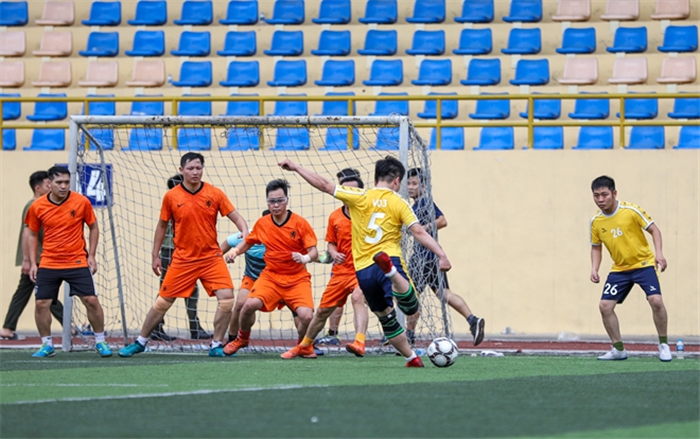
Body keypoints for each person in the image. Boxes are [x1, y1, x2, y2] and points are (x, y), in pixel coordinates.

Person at [279, 155, 452, 368]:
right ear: (397, 180)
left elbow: (324, 185)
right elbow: (418, 231)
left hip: (363, 270)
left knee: (386, 318)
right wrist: (441, 254)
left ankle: (411, 358)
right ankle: (392, 273)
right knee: (411, 307)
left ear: (375, 179)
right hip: (388, 258)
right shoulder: (399, 202)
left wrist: (296, 167)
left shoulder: (360, 196)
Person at [118, 152, 249, 358]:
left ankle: (216, 345)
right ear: (182, 170)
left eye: (198, 168)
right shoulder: (171, 196)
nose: (195, 172)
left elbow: (237, 218)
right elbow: (162, 226)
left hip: (211, 258)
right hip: (183, 259)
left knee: (226, 300)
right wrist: (155, 255)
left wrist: (245, 231)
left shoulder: (215, 193)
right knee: (162, 302)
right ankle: (140, 341)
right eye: (190, 168)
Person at [281, 168, 370, 359]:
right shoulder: (335, 216)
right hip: (340, 272)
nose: (349, 194)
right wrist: (334, 253)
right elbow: (331, 243)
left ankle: (360, 341)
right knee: (322, 311)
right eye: (345, 190)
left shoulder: (369, 213)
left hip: (362, 270)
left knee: (358, 298)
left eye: (353, 190)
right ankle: (305, 346)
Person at [222, 179, 318, 356]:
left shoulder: (300, 223)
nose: (276, 205)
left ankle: (303, 346)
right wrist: (235, 251)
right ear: (267, 202)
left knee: (306, 316)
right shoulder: (262, 223)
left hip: (297, 278)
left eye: (280, 200)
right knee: (247, 305)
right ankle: (241, 339)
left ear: (287, 201)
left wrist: (304, 258)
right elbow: (248, 242)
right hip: (271, 276)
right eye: (272, 201)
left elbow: (314, 252)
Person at [25, 166, 112, 358]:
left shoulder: (81, 202)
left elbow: (93, 227)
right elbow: (32, 234)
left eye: (67, 182)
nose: (64, 186)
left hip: (77, 261)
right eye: (59, 182)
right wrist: (32, 263)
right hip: (49, 262)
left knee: (91, 300)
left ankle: (100, 341)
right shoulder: (37, 206)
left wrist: (92, 255)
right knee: (41, 303)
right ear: (49, 183)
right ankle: (47, 345)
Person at [589, 176, 671, 362]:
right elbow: (596, 247)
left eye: (604, 194)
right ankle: (618, 349)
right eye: (596, 195)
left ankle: (664, 345)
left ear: (614, 193)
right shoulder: (596, 221)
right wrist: (594, 269)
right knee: (604, 306)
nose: (600, 199)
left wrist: (659, 254)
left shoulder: (631, 211)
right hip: (620, 269)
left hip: (644, 264)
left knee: (656, 301)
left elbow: (655, 230)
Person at [405, 168, 485, 346]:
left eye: (414, 184)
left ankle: (407, 336)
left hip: (422, 258)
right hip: (431, 257)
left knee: (409, 296)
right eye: (408, 183)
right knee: (443, 293)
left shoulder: (424, 202)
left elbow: (442, 220)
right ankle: (472, 319)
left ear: (423, 187)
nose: (410, 187)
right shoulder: (416, 206)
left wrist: (423, 229)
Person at [1, 171, 65, 341]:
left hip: (38, 257)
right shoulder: (33, 205)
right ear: (38, 188)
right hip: (36, 259)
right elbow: (27, 233)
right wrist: (27, 260)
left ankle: (8, 327)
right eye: (47, 184)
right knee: (47, 294)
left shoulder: (43, 204)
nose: (50, 187)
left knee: (25, 293)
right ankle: (70, 326)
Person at [151, 174, 212, 342]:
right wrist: (155, 255)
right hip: (172, 250)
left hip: (184, 251)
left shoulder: (179, 202)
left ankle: (192, 327)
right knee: (168, 290)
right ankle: (157, 327)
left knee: (189, 290)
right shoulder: (174, 203)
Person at [220, 210, 269, 344]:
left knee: (298, 308)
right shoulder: (247, 236)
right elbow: (222, 248)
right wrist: (223, 258)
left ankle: (307, 341)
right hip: (252, 278)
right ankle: (232, 340)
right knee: (240, 304)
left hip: (277, 280)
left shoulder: (284, 237)